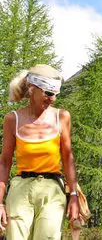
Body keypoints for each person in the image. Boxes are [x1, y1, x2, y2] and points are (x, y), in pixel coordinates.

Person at [0, 64, 79, 239]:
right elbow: (5, 162)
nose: (53, 99)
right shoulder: (13, 119)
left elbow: (68, 158)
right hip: (20, 188)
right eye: (48, 93)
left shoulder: (62, 117)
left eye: (55, 94)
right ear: (32, 89)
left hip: (52, 189)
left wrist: (73, 195)